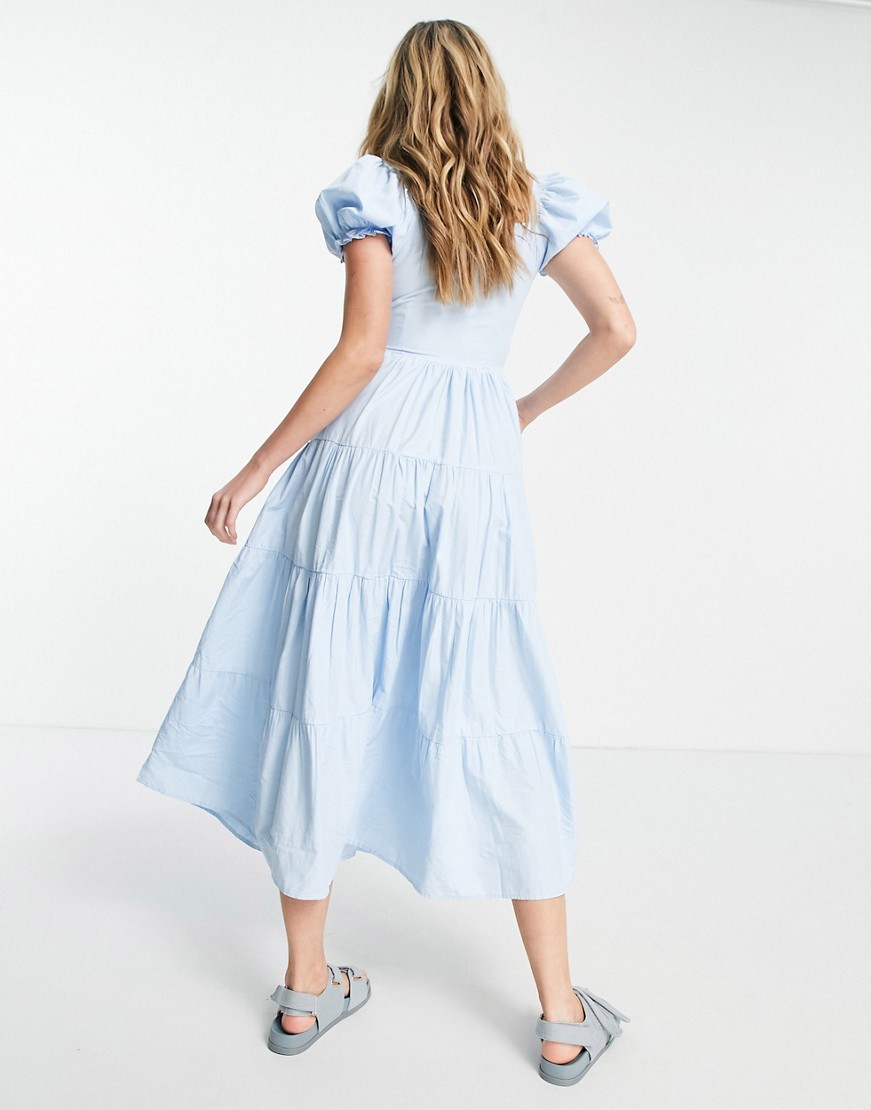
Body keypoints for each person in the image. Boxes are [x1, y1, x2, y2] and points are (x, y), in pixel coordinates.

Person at [135, 18, 636, 1086]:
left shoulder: (376, 191)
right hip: (470, 470)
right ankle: (560, 1017)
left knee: (325, 689)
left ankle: (305, 989)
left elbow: (364, 351)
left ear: (400, 94)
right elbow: (617, 330)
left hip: (362, 462)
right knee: (495, 702)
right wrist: (519, 409)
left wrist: (255, 469)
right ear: (489, 92)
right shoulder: (535, 205)